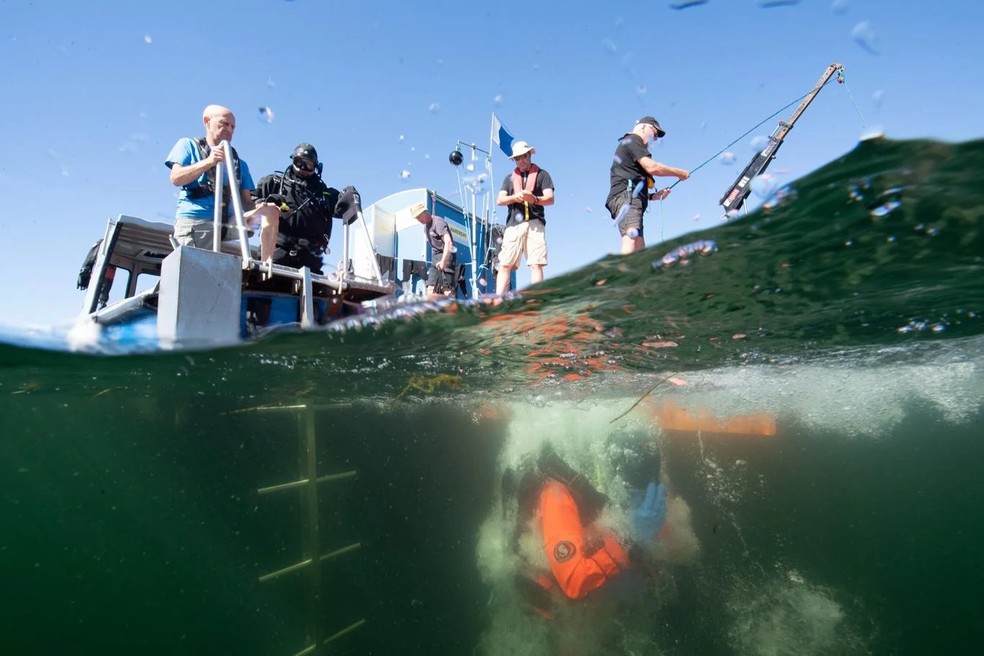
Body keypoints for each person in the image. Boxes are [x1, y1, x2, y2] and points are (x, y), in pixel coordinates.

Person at [500, 435, 674, 654]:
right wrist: (629, 541)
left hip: (593, 593)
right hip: (561, 607)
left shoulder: (593, 492)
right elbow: (574, 580)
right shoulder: (556, 495)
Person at [165, 105, 279, 253]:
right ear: (207, 122)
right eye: (224, 124)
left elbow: (246, 202)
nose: (230, 130)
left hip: (228, 224)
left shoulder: (239, 164)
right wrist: (209, 161)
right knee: (193, 273)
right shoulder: (188, 145)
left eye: (233, 127)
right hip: (197, 223)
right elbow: (176, 178)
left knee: (270, 212)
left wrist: (264, 208)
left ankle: (266, 269)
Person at [252, 143, 341, 273]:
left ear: (316, 167)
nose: (302, 167)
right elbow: (249, 201)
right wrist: (262, 204)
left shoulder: (324, 193)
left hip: (311, 260)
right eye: (298, 162)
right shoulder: (274, 183)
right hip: (277, 254)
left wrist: (348, 197)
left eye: (308, 164)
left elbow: (342, 209)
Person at [606, 116, 690, 255]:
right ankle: (617, 275)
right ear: (643, 127)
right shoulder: (633, 140)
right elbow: (652, 167)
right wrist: (679, 173)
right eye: (654, 132)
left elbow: (631, 179)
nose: (655, 138)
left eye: (657, 137)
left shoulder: (631, 145)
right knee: (631, 242)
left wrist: (653, 196)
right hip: (627, 199)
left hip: (629, 198)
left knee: (639, 251)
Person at [495, 140, 554, 296]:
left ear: (530, 155)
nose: (521, 160)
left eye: (524, 156)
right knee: (505, 264)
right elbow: (500, 200)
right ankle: (497, 300)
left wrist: (533, 199)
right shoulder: (509, 179)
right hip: (514, 225)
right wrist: (516, 197)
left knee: (536, 264)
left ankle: (536, 299)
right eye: (517, 158)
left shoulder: (543, 175)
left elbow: (550, 198)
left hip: (535, 223)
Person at [411, 202, 456, 297]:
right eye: (416, 218)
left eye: (419, 216)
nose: (419, 219)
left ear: (425, 212)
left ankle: (452, 310)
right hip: (436, 258)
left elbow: (449, 243)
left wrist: (444, 261)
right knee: (430, 288)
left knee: (446, 288)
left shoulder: (438, 222)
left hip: (446, 254)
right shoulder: (425, 228)